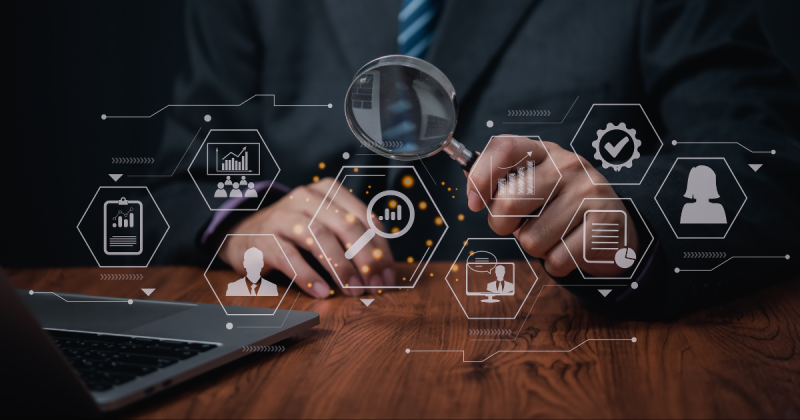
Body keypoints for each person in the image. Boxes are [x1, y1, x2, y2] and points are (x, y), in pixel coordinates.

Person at [151, 1, 800, 320]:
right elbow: (186, 178)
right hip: (308, 346)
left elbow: (763, 165)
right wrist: (245, 217)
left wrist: (629, 216)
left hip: (558, 360)